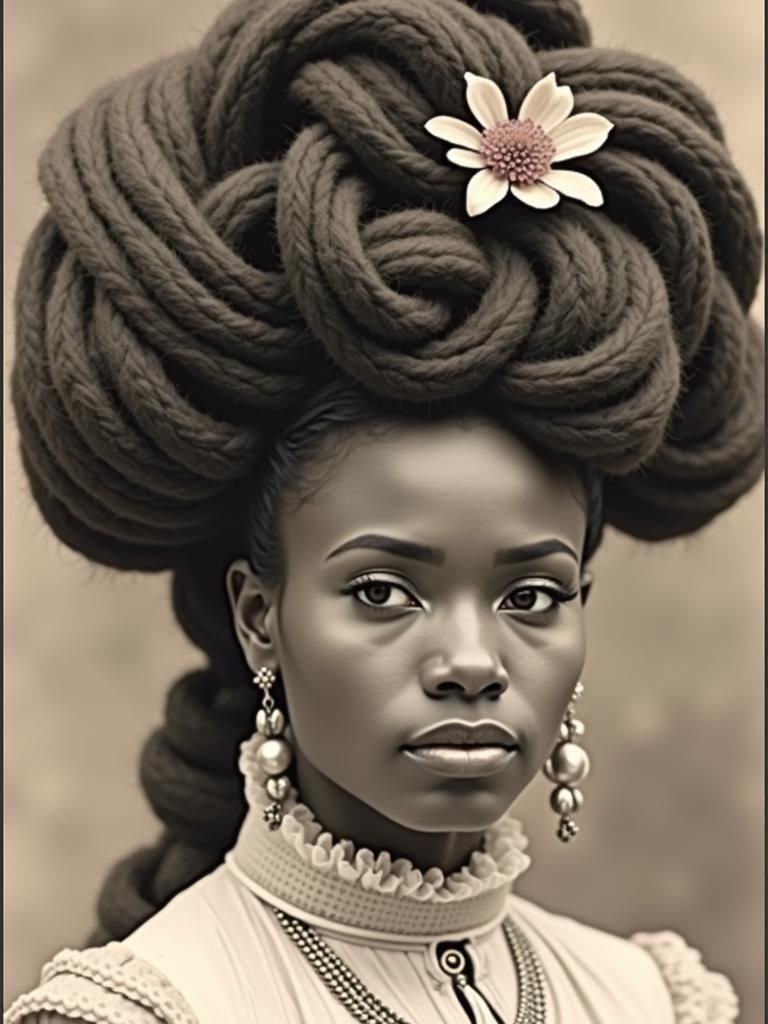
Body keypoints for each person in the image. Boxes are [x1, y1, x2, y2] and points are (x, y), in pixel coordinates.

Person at [4, 0, 763, 1021]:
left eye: (533, 594)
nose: (472, 658)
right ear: (259, 615)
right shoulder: (151, 1008)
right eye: (384, 588)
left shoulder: (654, 999)